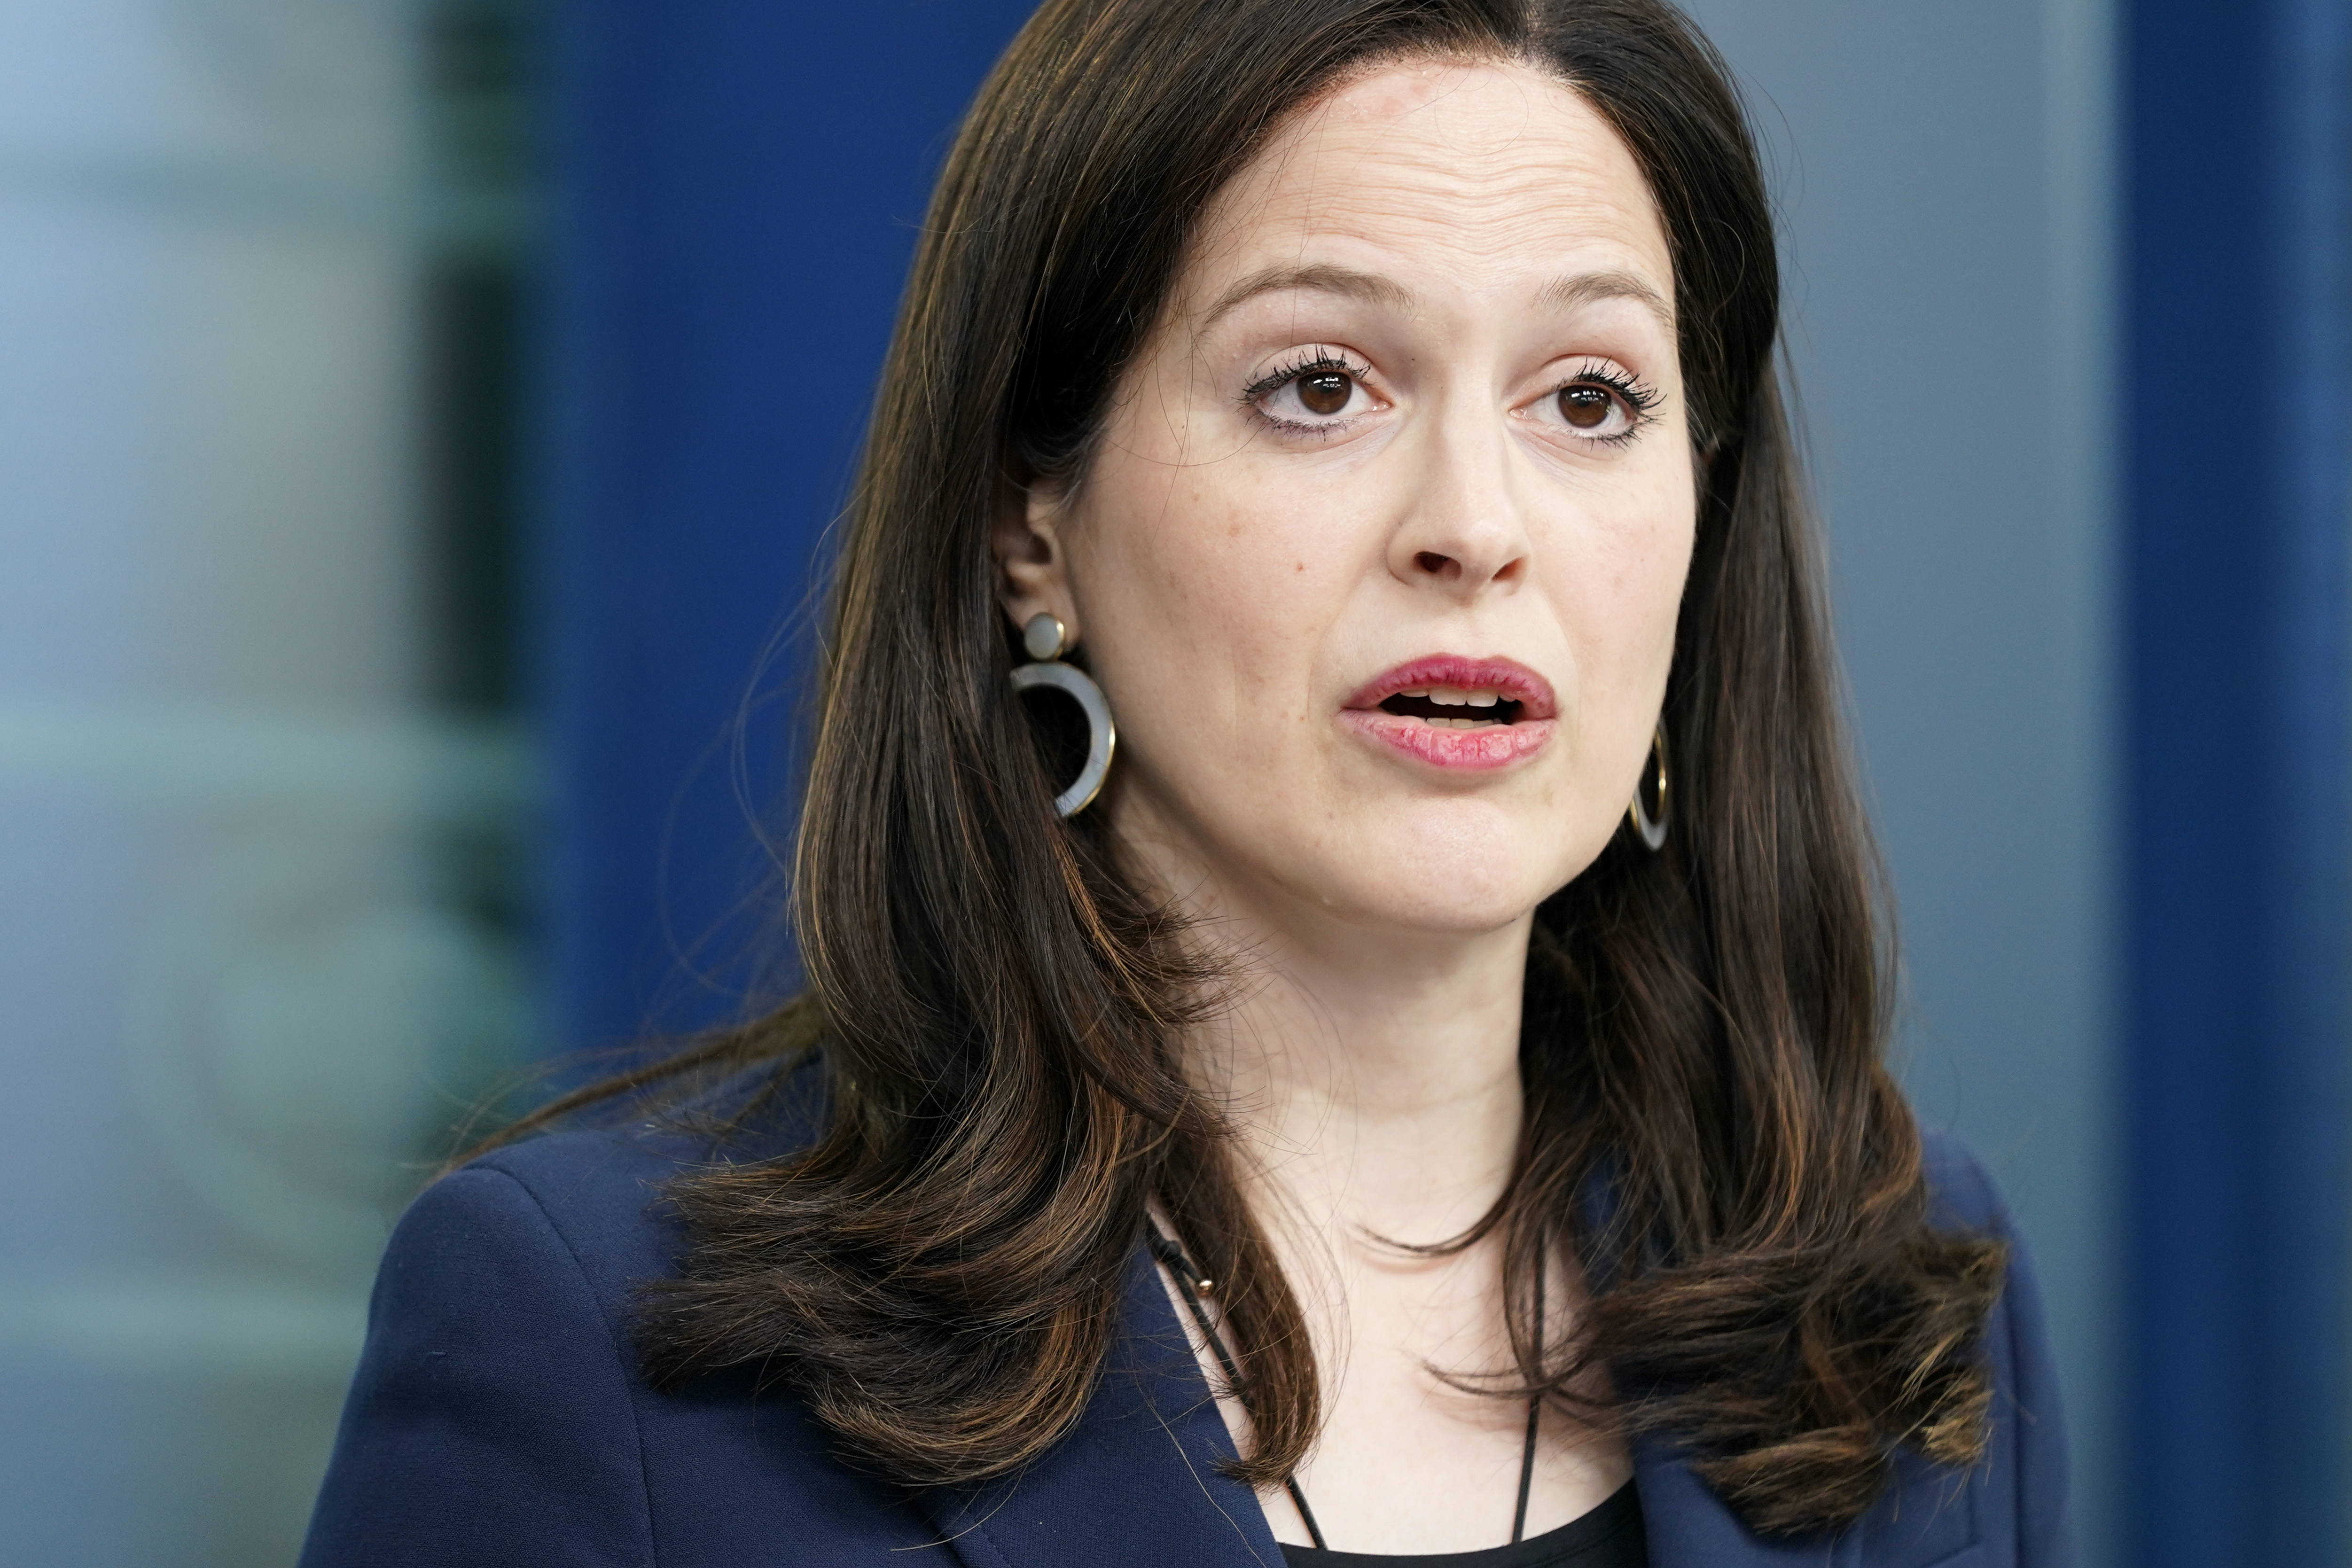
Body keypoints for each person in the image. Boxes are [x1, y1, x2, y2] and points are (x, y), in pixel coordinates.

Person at [299, 1, 2071, 1564]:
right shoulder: (598, 1340)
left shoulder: (1905, 1301)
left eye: (1591, 399)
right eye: (1320, 385)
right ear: (1032, 520)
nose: (1476, 525)